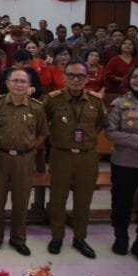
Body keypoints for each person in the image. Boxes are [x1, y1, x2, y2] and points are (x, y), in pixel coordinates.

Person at [42, 60, 106, 258]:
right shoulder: (53, 99)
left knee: (83, 200)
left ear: (87, 78)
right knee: (57, 199)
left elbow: (99, 125)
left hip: (87, 156)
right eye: (71, 75)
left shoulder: (96, 101)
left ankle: (80, 238)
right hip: (61, 155)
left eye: (80, 76)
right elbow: (43, 123)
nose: (76, 80)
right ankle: (57, 237)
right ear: (64, 77)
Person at [0, 68, 49, 256]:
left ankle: (18, 238)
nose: (19, 85)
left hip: (24, 159)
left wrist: (30, 148)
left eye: (23, 81)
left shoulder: (36, 108)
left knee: (21, 201)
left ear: (29, 85)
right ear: (7, 83)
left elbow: (42, 133)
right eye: (16, 81)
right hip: (0, 157)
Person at [106, 64, 138, 261]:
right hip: (125, 162)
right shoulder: (120, 103)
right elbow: (110, 132)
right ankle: (121, 237)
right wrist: (137, 141)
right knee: (121, 202)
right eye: (135, 76)